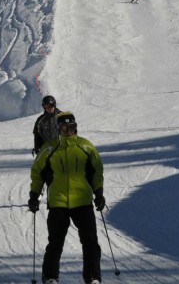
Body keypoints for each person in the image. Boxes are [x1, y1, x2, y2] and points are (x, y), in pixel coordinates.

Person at [29, 112, 105, 284]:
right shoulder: (50, 148)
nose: (68, 130)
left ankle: (93, 277)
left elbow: (97, 170)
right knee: (55, 243)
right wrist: (34, 195)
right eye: (64, 127)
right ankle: (50, 277)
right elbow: (37, 171)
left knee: (90, 242)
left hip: (83, 201)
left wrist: (98, 193)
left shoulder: (86, 146)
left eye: (71, 127)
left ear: (76, 127)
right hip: (58, 202)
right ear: (59, 128)